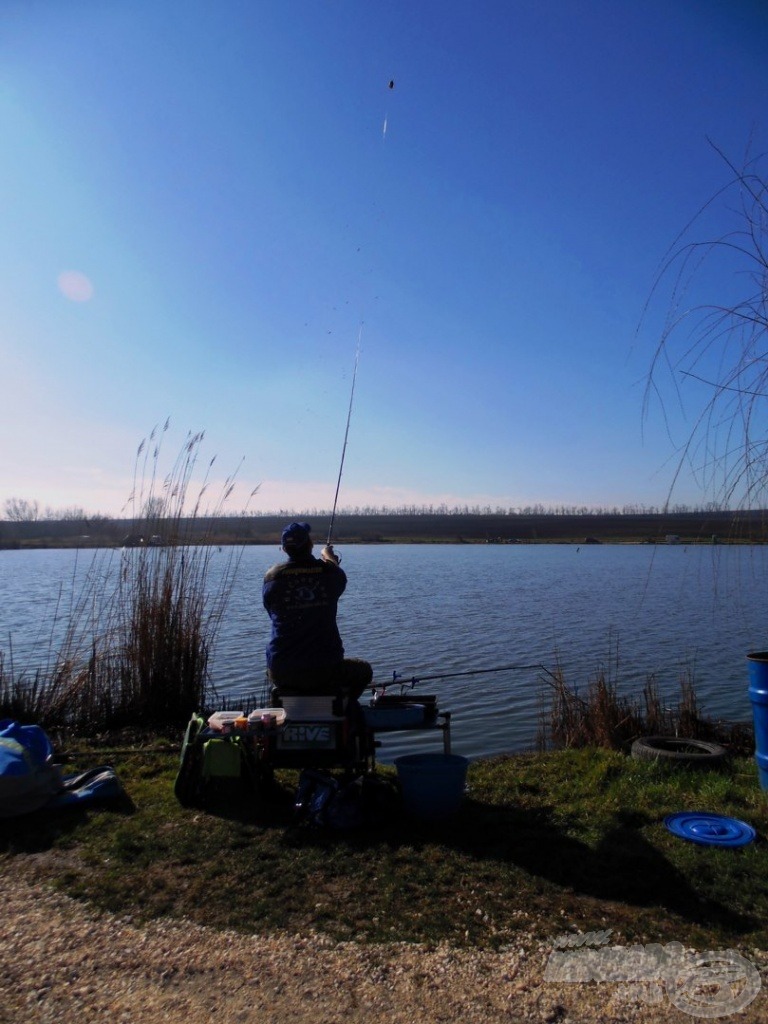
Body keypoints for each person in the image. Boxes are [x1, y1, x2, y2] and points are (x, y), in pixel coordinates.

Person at [262, 522, 373, 699]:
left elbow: (271, 611)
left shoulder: (272, 577)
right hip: (325, 670)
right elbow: (338, 575)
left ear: (283, 549)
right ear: (310, 544)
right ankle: (345, 711)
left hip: (281, 671)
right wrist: (328, 556)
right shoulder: (330, 574)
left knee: (278, 668)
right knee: (363, 671)